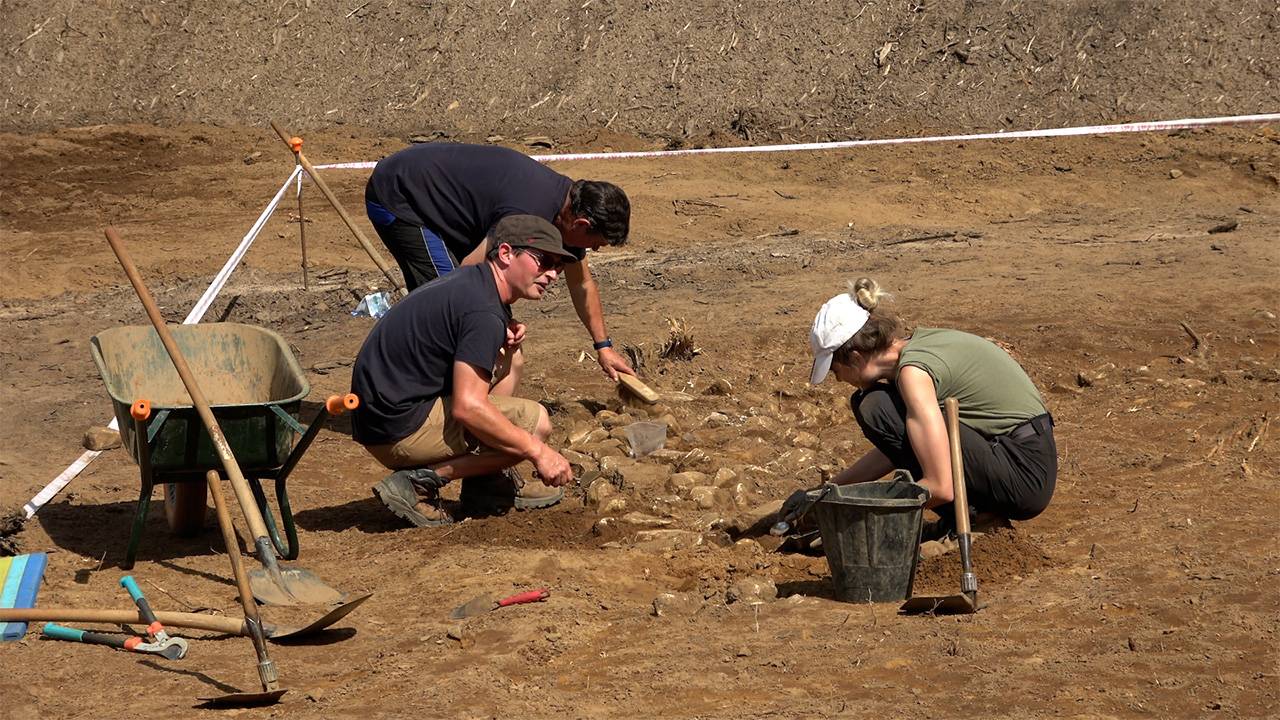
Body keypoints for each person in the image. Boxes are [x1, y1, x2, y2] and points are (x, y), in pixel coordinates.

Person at [783, 278, 1057, 538]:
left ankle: (976, 523)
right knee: (880, 407)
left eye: (834, 369)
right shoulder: (918, 346)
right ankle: (973, 517)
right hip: (1020, 457)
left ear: (855, 357)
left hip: (1023, 473)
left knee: (874, 406)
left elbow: (940, 487)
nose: (839, 379)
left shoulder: (913, 374)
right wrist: (827, 492)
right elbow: (908, 447)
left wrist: (854, 511)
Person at [349, 215, 577, 527]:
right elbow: (469, 406)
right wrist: (538, 452)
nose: (552, 274)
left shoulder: (476, 285)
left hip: (385, 416)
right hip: (396, 430)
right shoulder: (482, 309)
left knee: (510, 359)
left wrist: (508, 350)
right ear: (507, 253)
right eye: (544, 261)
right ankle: (418, 483)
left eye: (558, 267)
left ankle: (486, 483)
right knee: (534, 424)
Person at [364, 141, 636, 381]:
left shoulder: (568, 209)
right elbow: (471, 271)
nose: (594, 251)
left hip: (448, 197)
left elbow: (582, 285)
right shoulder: (526, 211)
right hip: (401, 193)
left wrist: (604, 347)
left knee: (473, 311)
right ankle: (417, 393)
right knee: (447, 300)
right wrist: (498, 321)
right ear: (581, 224)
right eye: (597, 244)